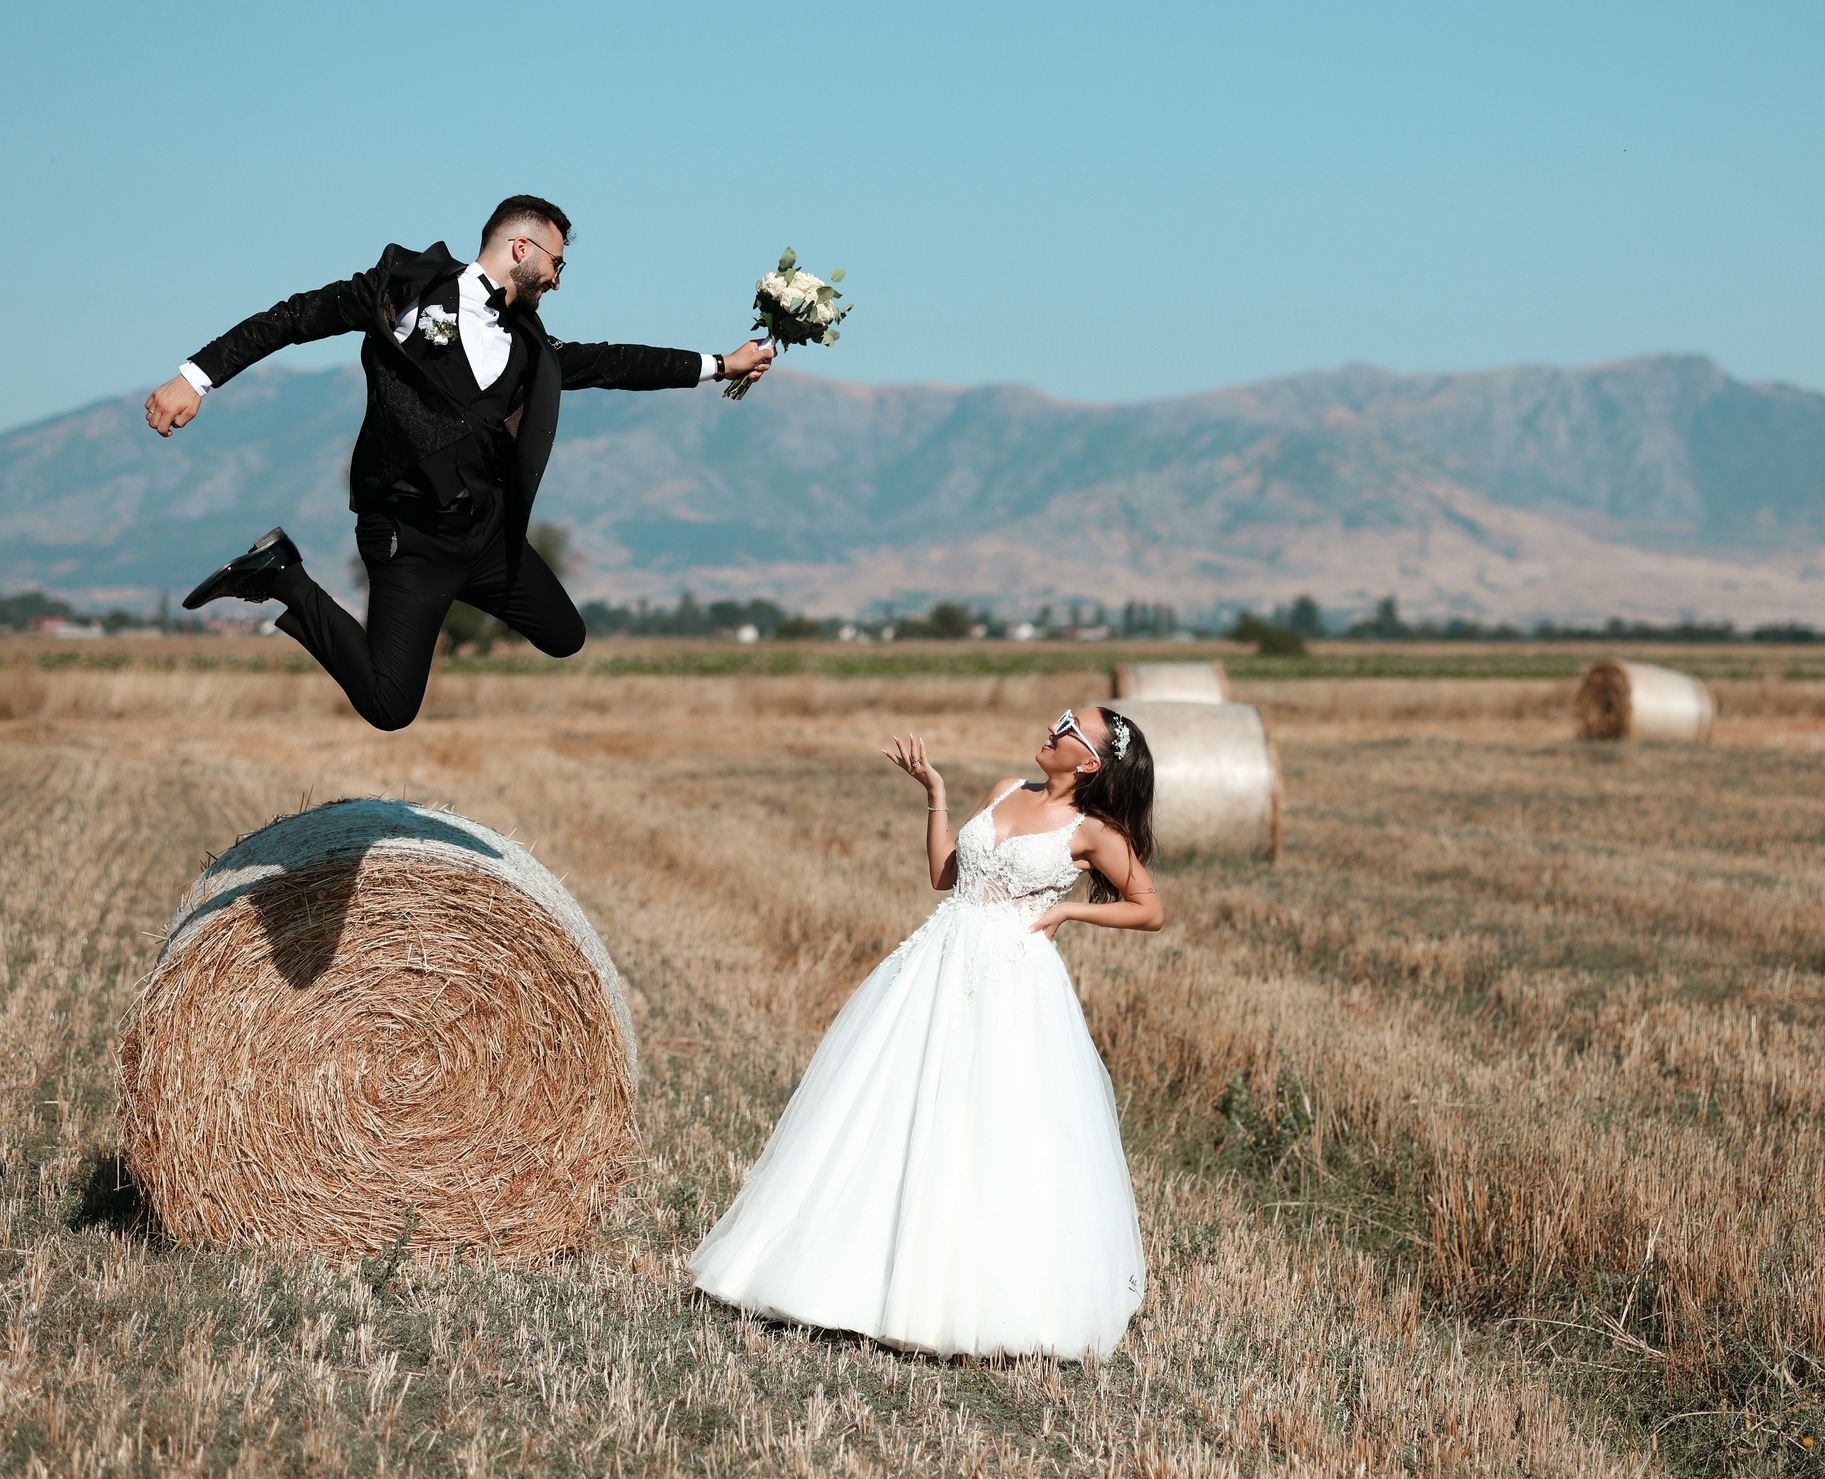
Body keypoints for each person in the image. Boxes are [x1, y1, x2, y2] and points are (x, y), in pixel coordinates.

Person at [143, 195, 776, 730]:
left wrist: (720, 365)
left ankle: (457, 582)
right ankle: (282, 575)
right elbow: (293, 319)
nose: (559, 278)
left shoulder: (531, 342)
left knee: (566, 634)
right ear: (522, 250)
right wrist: (194, 379)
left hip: (486, 538)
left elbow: (613, 363)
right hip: (411, 539)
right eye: (558, 262)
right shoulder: (405, 288)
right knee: (390, 706)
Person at [690, 705, 1163, 1359]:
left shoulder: (1093, 831)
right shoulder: (1004, 789)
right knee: (886, 1107)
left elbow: (1150, 907)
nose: (1051, 727)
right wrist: (936, 794)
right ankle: (842, 1276)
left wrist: (1067, 909)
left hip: (1009, 980)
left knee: (986, 1121)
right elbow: (944, 875)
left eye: (1067, 725)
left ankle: (956, 1295)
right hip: (936, 958)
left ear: (1088, 761)